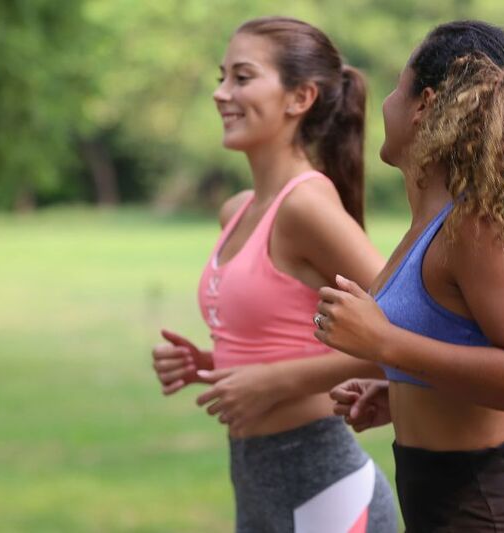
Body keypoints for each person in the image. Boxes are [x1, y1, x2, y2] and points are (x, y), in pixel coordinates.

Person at [318, 20, 504, 532]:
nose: (383, 103)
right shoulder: (429, 227)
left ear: (425, 105)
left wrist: (387, 344)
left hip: (498, 517)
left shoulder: (472, 227)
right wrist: (407, 391)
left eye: (396, 87)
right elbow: (459, 344)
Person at [150, 16, 397, 533]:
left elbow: (409, 334)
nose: (221, 94)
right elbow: (282, 333)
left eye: (242, 77)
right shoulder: (237, 210)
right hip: (258, 484)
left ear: (300, 97)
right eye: (222, 77)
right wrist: (214, 363)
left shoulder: (305, 206)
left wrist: (276, 381)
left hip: (326, 493)